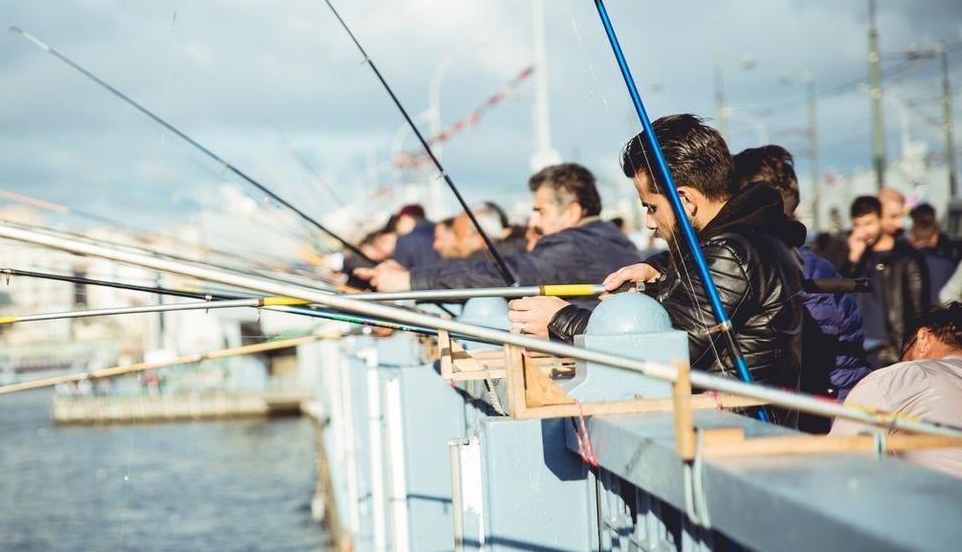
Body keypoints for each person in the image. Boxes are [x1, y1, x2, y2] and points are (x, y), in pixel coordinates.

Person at [511, 114, 806, 390]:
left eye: (651, 207)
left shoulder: (729, 255)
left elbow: (666, 350)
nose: (650, 223)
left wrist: (560, 320)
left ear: (684, 200)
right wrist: (660, 271)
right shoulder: (749, 237)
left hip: (730, 429)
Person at [356, 163, 639, 294]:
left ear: (573, 211)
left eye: (541, 211)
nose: (534, 221)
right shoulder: (611, 238)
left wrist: (410, 282)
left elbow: (504, 275)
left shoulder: (573, 246)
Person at [732, 145, 869, 409]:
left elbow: (799, 355)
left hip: (819, 418)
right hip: (838, 409)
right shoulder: (817, 266)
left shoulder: (781, 269)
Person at [830, 303, 962, 475]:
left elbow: (837, 464)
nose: (902, 363)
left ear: (923, 338)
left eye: (904, 355)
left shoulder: (900, 377)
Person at [843, 195, 930, 365]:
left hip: (891, 350)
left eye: (868, 223)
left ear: (881, 220)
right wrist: (852, 259)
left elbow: (920, 308)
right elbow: (838, 297)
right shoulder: (855, 257)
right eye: (857, 225)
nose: (863, 231)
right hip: (857, 347)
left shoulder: (906, 257)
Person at [909, 203, 958, 300]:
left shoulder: (905, 263)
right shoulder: (948, 264)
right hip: (943, 312)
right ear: (935, 237)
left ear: (912, 238)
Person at [390, 204, 439, 269]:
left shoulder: (404, 241)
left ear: (405, 218)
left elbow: (396, 272)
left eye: (398, 221)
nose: (397, 227)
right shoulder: (440, 232)